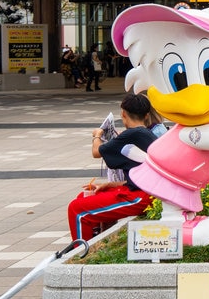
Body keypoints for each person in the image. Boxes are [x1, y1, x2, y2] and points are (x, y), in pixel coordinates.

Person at [66, 93, 159, 241]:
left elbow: (96, 152)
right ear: (147, 115)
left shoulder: (131, 134)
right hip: (141, 190)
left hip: (141, 196)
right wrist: (108, 184)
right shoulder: (146, 133)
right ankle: (97, 240)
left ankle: (82, 253)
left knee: (76, 210)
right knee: (86, 196)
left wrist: (98, 135)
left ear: (123, 114)